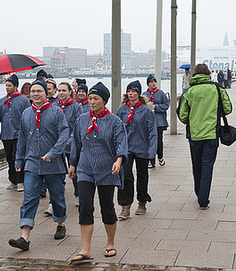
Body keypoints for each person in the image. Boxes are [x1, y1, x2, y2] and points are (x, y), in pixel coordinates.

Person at [68, 82, 127, 263]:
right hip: (85, 168)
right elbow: (76, 142)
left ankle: (110, 243)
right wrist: (72, 164)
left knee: (106, 207)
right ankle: (85, 249)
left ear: (104, 101)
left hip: (107, 169)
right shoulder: (82, 119)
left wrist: (118, 160)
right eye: (90, 98)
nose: (91, 102)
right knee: (85, 206)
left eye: (96, 99)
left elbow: (121, 143)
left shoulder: (114, 121)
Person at [8, 78, 69, 251]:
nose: (35, 94)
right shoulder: (26, 113)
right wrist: (19, 160)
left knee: (56, 197)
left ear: (46, 93)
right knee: (29, 198)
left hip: (53, 164)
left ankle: (60, 223)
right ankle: (24, 238)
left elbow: (64, 135)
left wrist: (53, 153)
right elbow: (22, 138)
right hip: (32, 163)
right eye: (33, 91)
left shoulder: (56, 112)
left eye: (39, 91)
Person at [177, 63, 232, 209]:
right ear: (208, 73)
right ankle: (203, 198)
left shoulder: (189, 92)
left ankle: (198, 192)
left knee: (197, 165)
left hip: (194, 136)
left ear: (194, 74)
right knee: (207, 166)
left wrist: (194, 118)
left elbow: (182, 116)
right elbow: (227, 109)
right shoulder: (217, 88)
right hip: (211, 134)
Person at [116, 81, 157, 219]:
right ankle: (125, 206)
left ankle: (142, 201)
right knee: (125, 175)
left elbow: (152, 132)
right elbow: (116, 130)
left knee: (142, 176)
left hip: (142, 147)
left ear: (138, 93)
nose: (131, 94)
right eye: (129, 91)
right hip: (126, 149)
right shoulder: (122, 110)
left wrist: (152, 151)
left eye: (133, 91)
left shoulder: (146, 111)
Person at [0, 74, 31, 192]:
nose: (7, 88)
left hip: (19, 135)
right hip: (6, 135)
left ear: (16, 86)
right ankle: (13, 180)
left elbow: (29, 117)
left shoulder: (24, 101)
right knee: (9, 158)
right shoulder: (2, 101)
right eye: (6, 85)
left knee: (17, 157)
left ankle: (20, 181)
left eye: (9, 85)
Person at [57, 81, 83, 206]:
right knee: (57, 173)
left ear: (70, 92)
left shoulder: (76, 106)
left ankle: (79, 195)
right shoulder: (54, 106)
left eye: (64, 90)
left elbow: (78, 126)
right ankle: (55, 201)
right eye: (59, 90)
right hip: (57, 146)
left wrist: (71, 140)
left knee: (74, 170)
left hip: (71, 145)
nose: (61, 93)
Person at [143, 75, 170, 168]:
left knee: (159, 140)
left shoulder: (161, 93)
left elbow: (166, 105)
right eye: (151, 82)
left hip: (159, 121)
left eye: (154, 81)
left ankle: (160, 157)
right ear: (148, 84)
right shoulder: (144, 94)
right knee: (149, 141)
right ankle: (151, 160)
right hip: (148, 122)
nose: (153, 83)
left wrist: (156, 107)